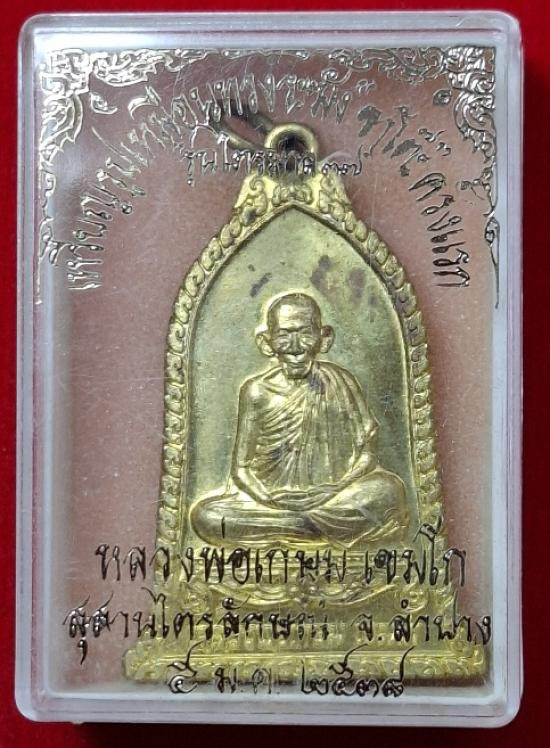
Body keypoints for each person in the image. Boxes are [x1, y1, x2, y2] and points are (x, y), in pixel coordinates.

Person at [190, 292, 408, 548]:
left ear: (324, 338)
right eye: (284, 335)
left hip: (333, 496)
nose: (295, 346)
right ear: (266, 342)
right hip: (270, 501)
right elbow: (241, 469)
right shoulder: (256, 391)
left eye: (305, 333)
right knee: (206, 516)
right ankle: (310, 527)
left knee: (390, 490)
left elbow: (367, 453)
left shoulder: (342, 381)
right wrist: (270, 499)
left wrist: (335, 488)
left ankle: (293, 528)